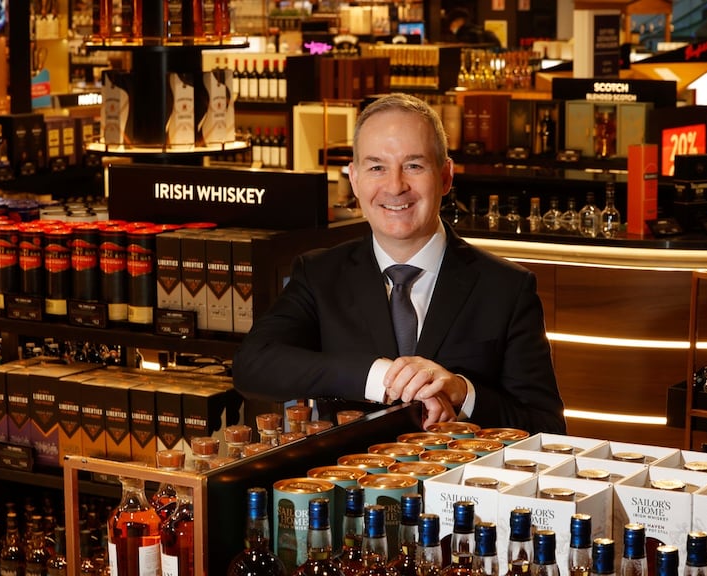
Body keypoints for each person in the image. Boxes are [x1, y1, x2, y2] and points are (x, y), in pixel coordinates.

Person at [232, 93, 565, 434]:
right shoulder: (319, 275)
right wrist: (383, 378)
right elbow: (253, 365)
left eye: (414, 166)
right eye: (377, 167)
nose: (395, 186)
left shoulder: (506, 287)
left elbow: (546, 427)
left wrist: (463, 393)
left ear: (446, 176)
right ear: (355, 180)